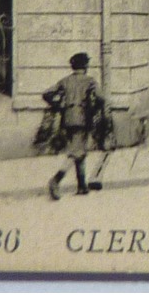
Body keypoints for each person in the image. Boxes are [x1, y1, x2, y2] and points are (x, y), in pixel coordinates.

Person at [43, 52, 103, 199]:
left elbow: (47, 94)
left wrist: (58, 105)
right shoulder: (89, 81)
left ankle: (82, 186)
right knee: (76, 152)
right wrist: (95, 108)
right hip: (82, 118)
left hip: (67, 119)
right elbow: (101, 97)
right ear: (85, 66)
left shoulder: (65, 81)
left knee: (79, 149)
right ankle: (56, 179)